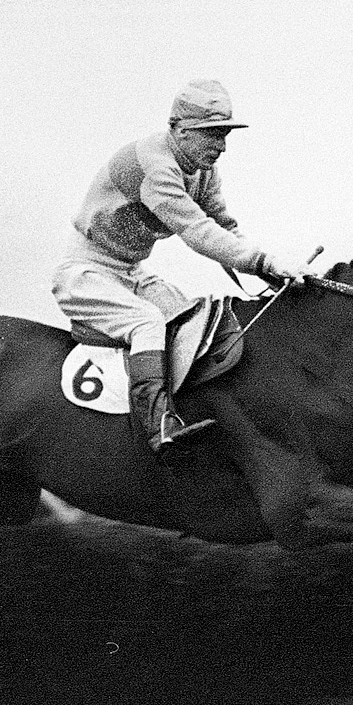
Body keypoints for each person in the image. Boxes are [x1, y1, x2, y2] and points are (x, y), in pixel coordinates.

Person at [53, 79, 303, 456]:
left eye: (223, 135)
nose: (220, 147)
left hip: (131, 272)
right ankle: (157, 428)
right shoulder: (157, 167)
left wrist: (269, 272)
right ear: (179, 131)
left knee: (193, 320)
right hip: (85, 274)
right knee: (148, 324)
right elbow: (197, 231)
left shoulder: (202, 171)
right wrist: (264, 260)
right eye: (210, 135)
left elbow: (222, 226)